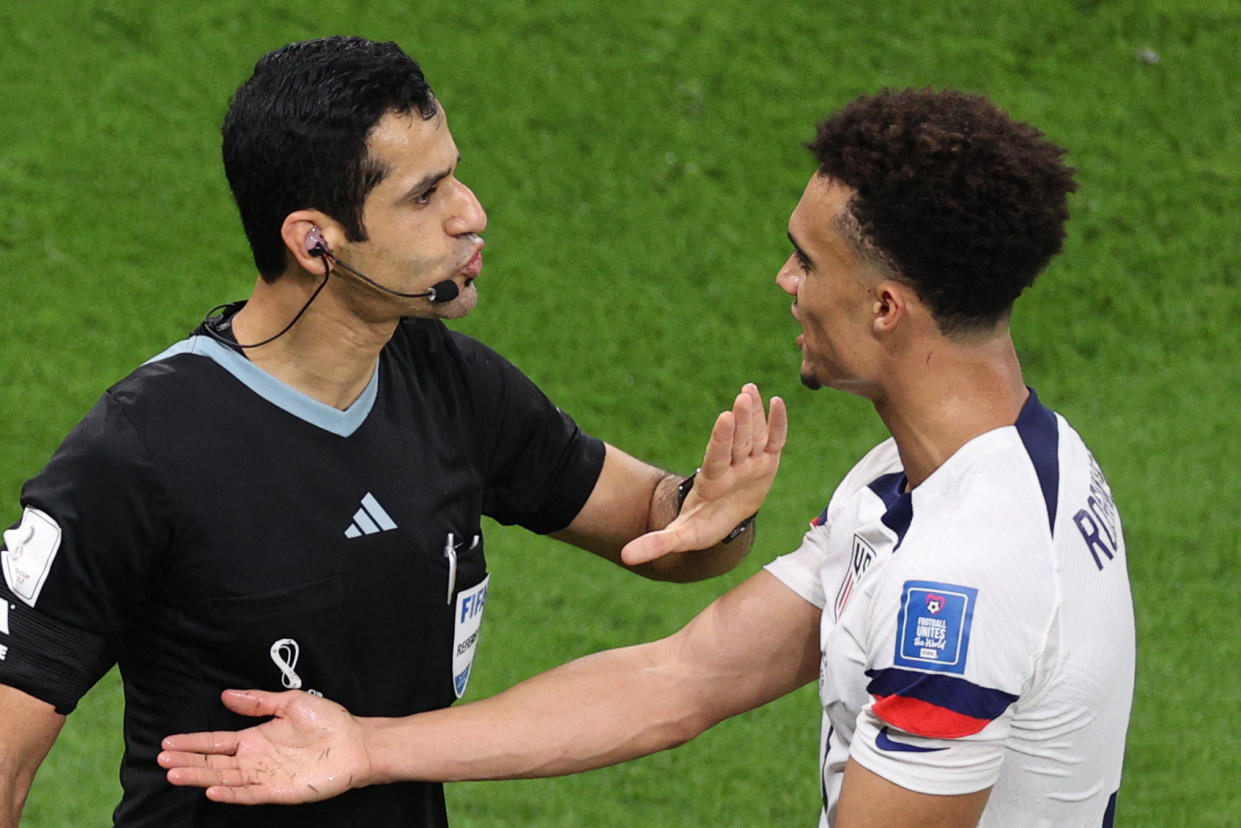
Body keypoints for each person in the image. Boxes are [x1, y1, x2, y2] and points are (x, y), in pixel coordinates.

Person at [159, 87, 1136, 828]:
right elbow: (686, 677)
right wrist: (365, 746)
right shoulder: (917, 482)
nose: (783, 281)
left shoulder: (965, 577)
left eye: (806, 260)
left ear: (886, 308)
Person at [0, 36, 787, 828]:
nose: (470, 213)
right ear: (315, 242)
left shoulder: (449, 383)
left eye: (455, 174)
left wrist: (718, 512)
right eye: (425, 195)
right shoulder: (141, 449)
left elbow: (660, 527)